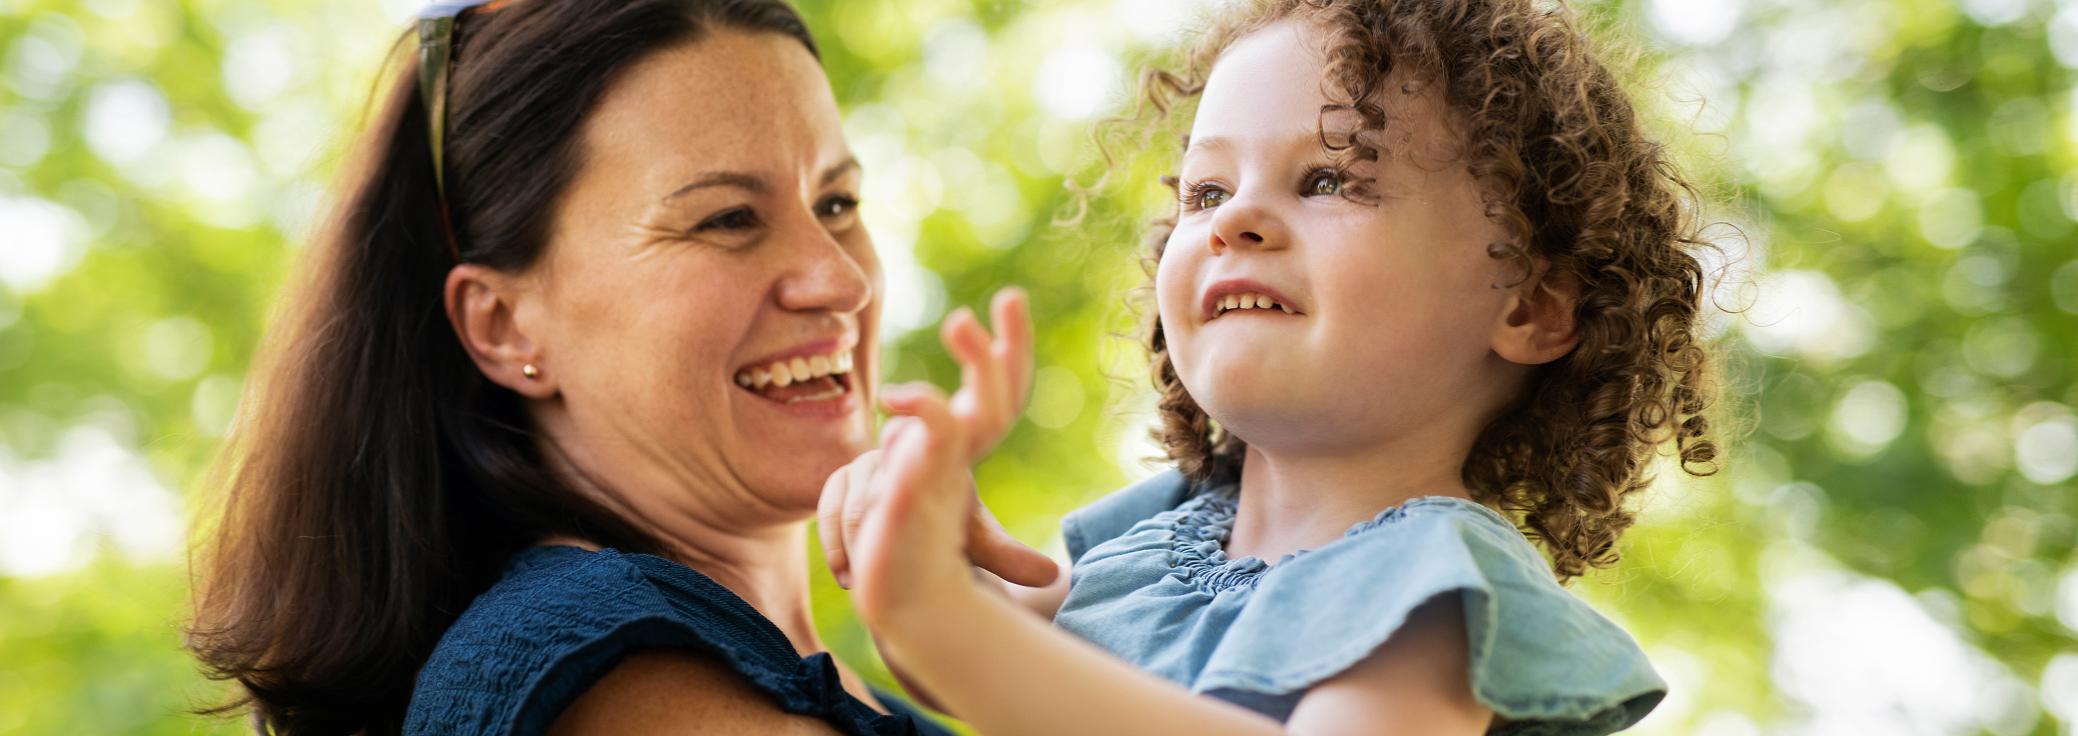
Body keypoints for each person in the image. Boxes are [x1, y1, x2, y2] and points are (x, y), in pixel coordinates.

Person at [818, 0, 1722, 733]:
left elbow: (974, 654)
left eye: (1329, 180)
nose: (1231, 220)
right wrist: (913, 536)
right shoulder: (1160, 532)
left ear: (1527, 305)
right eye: (1206, 190)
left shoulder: (1440, 590)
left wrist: (945, 619)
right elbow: (980, 674)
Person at [183, 1, 1050, 733]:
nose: (841, 279)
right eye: (726, 220)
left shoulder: (834, 683)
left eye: (837, 203)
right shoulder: (608, 672)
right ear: (505, 325)